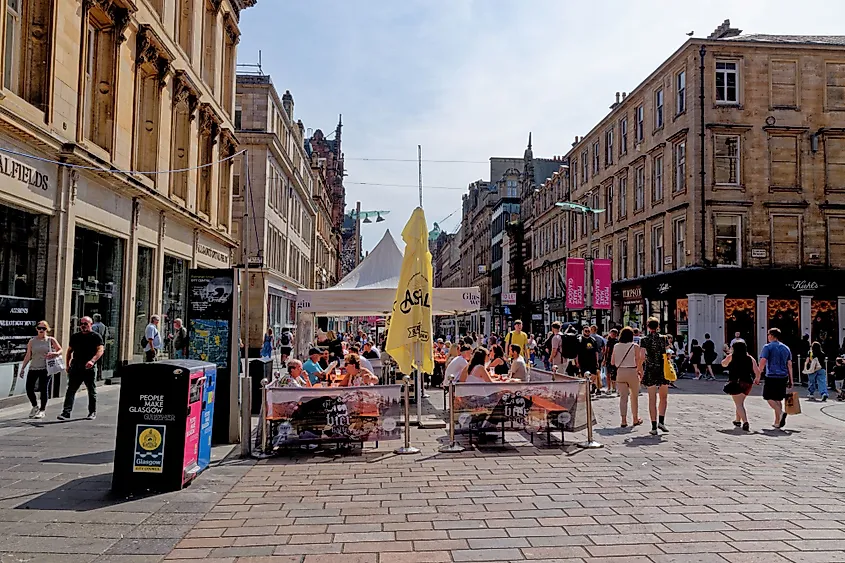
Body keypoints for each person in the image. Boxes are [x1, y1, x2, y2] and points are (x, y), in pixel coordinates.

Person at [58, 316, 104, 421]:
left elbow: (100, 350)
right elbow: (69, 351)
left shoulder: (96, 336)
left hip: (89, 367)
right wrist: (68, 365)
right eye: (81, 324)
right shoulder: (75, 337)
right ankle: (66, 412)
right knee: (71, 390)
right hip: (76, 366)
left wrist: (92, 361)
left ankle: (92, 412)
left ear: (91, 324)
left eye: (86, 324)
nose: (83, 326)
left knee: (91, 390)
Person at [19, 320, 62, 419]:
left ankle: (42, 410)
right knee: (29, 389)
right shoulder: (32, 341)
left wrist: (55, 353)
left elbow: (60, 349)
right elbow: (28, 355)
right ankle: (35, 406)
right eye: (39, 328)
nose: (41, 330)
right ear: (37, 329)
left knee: (44, 389)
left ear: (47, 329)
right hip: (33, 367)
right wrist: (22, 368)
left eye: (44, 328)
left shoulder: (50, 340)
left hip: (45, 368)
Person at [755, 327, 794, 429]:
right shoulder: (786, 348)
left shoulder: (767, 347)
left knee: (768, 397)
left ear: (771, 335)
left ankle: (781, 413)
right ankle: (777, 421)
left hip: (771, 375)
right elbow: (789, 364)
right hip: (783, 376)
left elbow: (763, 361)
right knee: (778, 398)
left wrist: (758, 375)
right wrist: (791, 379)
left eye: (768, 335)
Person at [639, 317, 670, 436]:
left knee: (652, 399)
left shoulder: (644, 340)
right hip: (663, 369)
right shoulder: (664, 338)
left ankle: (653, 426)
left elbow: (642, 356)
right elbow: (668, 353)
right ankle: (661, 421)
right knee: (664, 397)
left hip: (651, 369)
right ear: (658, 326)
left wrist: (639, 369)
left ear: (647, 326)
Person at [721, 340, 758, 431]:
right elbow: (757, 370)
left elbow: (723, 364)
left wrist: (727, 355)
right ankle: (737, 420)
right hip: (748, 383)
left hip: (736, 382)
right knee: (740, 402)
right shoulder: (750, 358)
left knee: (739, 404)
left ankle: (745, 422)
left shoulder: (731, 357)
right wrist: (757, 379)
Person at [611, 327, 642, 428]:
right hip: (632, 371)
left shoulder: (616, 346)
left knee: (623, 397)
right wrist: (640, 371)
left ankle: (623, 420)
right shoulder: (635, 346)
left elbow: (612, 362)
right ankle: (635, 419)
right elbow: (638, 360)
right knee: (634, 397)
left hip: (620, 372)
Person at [577, 325, 600, 394]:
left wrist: (597, 360)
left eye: (588, 331)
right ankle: (586, 389)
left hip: (592, 360)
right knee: (584, 375)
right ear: (583, 331)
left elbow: (596, 351)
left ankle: (592, 385)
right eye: (586, 331)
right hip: (583, 361)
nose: (587, 332)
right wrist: (577, 362)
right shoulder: (579, 340)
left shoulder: (593, 340)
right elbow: (577, 352)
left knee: (593, 375)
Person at [91, 314, 108, 380]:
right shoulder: (103, 326)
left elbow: (92, 336)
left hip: (95, 346)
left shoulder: (94, 326)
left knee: (93, 360)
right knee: (100, 362)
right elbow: (106, 336)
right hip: (101, 346)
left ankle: (93, 376)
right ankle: (99, 375)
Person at [604, 328, 619, 396]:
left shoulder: (610, 341)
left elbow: (607, 351)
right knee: (612, 374)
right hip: (613, 359)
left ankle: (611, 388)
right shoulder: (617, 341)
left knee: (610, 374)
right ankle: (612, 387)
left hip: (611, 359)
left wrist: (605, 359)